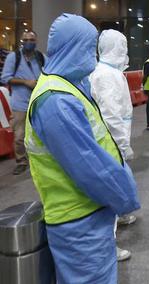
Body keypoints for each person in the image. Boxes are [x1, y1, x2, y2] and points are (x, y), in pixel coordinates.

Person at [24, 14, 140, 283]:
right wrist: (125, 195)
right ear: (71, 48)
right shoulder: (56, 101)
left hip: (88, 211)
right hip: (78, 219)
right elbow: (89, 166)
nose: (94, 55)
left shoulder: (68, 87)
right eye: (89, 48)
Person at [89, 29, 137, 262]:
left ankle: (121, 214)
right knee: (111, 187)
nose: (125, 50)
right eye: (123, 45)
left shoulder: (109, 72)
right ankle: (108, 245)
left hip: (113, 140)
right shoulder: (106, 75)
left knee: (117, 184)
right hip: (111, 143)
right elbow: (111, 116)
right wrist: (122, 145)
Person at [1, 31, 45, 175]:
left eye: (32, 39)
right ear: (22, 40)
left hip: (38, 103)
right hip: (20, 104)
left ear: (36, 41)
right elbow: (6, 78)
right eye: (26, 39)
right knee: (19, 136)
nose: (28, 42)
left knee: (39, 134)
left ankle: (38, 160)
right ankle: (21, 161)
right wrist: (26, 82)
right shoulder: (14, 57)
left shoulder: (40, 57)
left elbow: (50, 72)